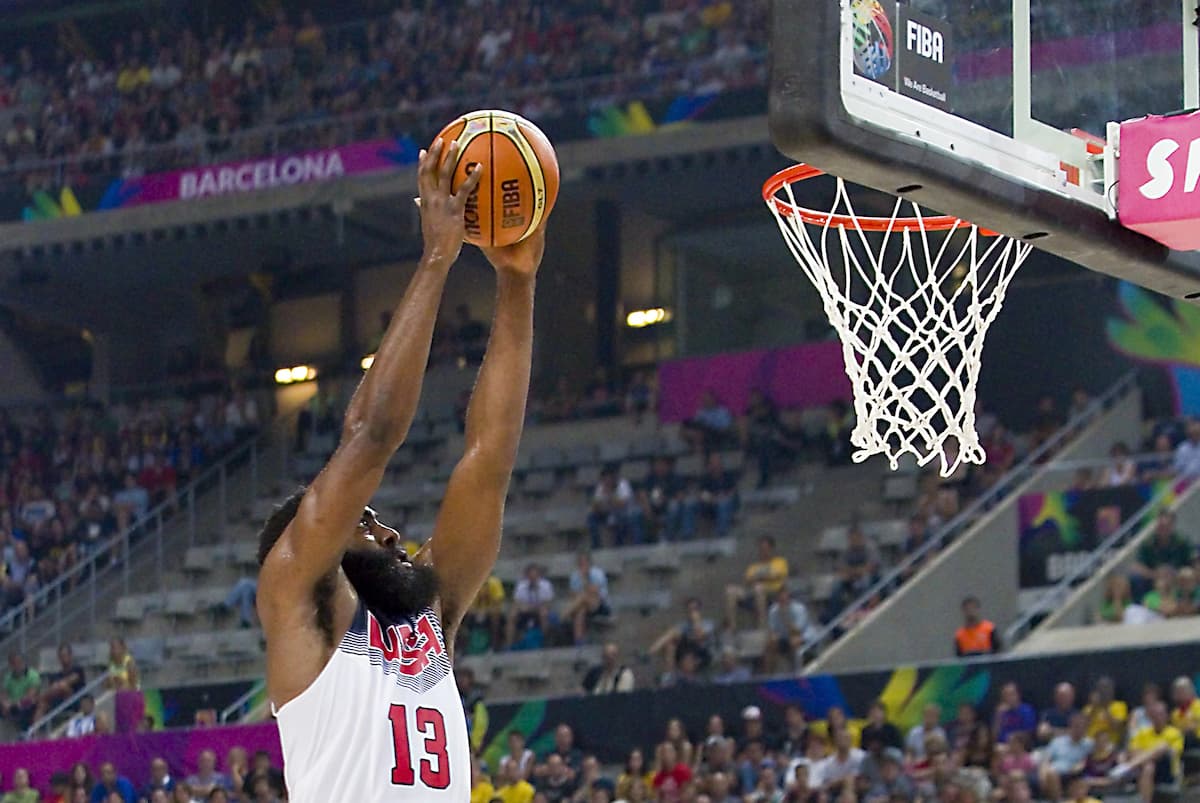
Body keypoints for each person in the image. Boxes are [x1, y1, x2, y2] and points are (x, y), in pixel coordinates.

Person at [256, 143, 541, 801]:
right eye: (364, 521)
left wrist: (518, 281)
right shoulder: (297, 597)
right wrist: (437, 259)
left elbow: (489, 457)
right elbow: (372, 436)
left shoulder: (428, 617)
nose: (389, 533)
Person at [725, 536, 789, 630]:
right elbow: (748, 580)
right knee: (730, 590)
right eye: (761, 549)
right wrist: (763, 576)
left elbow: (776, 575)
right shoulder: (754, 566)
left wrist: (759, 577)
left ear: (772, 549)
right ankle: (732, 626)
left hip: (773, 592)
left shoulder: (780, 562)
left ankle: (762, 625)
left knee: (759, 587)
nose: (763, 551)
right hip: (753, 591)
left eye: (766, 549)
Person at [1038, 713, 1093, 802]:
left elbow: (1089, 760)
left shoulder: (1089, 744)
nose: (1079, 729)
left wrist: (1081, 765)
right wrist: (1042, 774)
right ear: (1070, 727)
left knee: (1051, 774)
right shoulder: (1057, 741)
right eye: (1076, 726)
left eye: (1082, 727)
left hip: (1073, 773)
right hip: (1054, 771)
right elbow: (1046, 760)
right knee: (1049, 773)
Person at [563, 552, 611, 645]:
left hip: (600, 604)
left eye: (584, 562)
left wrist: (584, 578)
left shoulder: (597, 573)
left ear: (589, 562)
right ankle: (579, 642)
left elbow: (595, 591)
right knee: (580, 611)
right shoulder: (575, 575)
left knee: (584, 597)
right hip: (583, 604)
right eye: (580, 562)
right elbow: (573, 594)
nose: (582, 564)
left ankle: (564, 615)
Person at [35, 643, 86, 721]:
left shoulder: (78, 669)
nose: (63, 658)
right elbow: (52, 689)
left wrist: (56, 686)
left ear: (70, 656)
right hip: (59, 701)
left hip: (75, 701)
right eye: (61, 656)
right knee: (42, 704)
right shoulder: (57, 675)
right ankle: (36, 728)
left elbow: (71, 680)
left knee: (62, 686)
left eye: (65, 655)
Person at [0, 651, 40, 730]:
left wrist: (13, 705)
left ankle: (24, 733)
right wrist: (4, 704)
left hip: (27, 705)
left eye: (18, 662)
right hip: (11, 706)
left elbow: (30, 696)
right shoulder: (8, 677)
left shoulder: (33, 675)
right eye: (13, 663)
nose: (17, 665)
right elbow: (3, 694)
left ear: (23, 662)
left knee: (24, 705)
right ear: (10, 665)